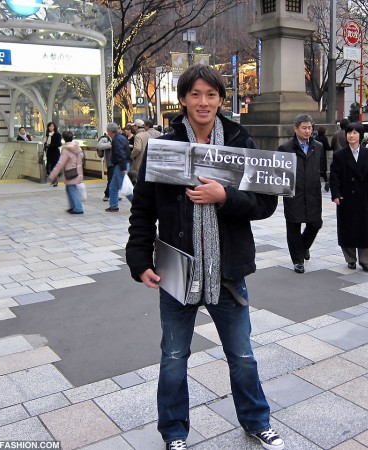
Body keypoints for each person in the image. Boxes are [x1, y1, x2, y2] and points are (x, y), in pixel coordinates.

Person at [125, 64, 284, 450]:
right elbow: (143, 210)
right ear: (182, 99)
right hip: (178, 273)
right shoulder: (163, 148)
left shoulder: (240, 142)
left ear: (220, 100)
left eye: (211, 95)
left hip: (227, 271)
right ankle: (175, 433)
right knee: (174, 357)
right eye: (195, 94)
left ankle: (256, 421)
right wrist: (139, 259)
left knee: (242, 355)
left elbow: (265, 204)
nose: (203, 102)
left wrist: (225, 197)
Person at [329, 122, 368, 271]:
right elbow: (334, 176)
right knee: (347, 227)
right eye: (349, 133)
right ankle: (350, 258)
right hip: (346, 196)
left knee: (364, 228)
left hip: (363, 196)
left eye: (355, 133)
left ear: (360, 136)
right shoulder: (340, 155)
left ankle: (364, 260)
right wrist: (336, 194)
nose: (351, 135)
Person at [278, 114, 324, 274]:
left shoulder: (318, 147)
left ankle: (303, 247)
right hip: (293, 193)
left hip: (313, 193)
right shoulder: (285, 148)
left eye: (310, 127)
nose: (307, 131)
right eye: (304, 128)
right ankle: (298, 260)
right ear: (296, 129)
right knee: (293, 226)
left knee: (315, 223)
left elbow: (322, 169)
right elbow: (278, 173)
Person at [48, 131, 84, 214]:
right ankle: (72, 206)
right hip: (77, 170)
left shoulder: (66, 150)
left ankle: (78, 208)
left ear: (63, 139)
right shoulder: (77, 147)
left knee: (71, 189)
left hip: (70, 172)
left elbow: (60, 163)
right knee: (69, 188)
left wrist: (52, 175)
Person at [105, 122, 131, 212]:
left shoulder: (116, 140)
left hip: (120, 166)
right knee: (113, 187)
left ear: (109, 131)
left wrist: (123, 167)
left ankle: (138, 204)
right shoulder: (122, 137)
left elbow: (120, 154)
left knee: (126, 188)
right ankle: (113, 205)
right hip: (122, 164)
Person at [130, 119, 148, 185]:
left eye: (133, 126)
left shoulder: (138, 136)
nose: (132, 128)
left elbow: (137, 148)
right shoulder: (147, 134)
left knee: (138, 180)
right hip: (147, 160)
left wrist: (131, 155)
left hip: (139, 160)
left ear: (136, 126)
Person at [315, 126, 331, 192]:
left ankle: (318, 184)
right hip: (323, 156)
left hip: (317, 156)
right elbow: (327, 147)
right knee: (324, 172)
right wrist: (332, 147)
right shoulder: (324, 138)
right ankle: (326, 182)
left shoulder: (316, 138)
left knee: (318, 171)